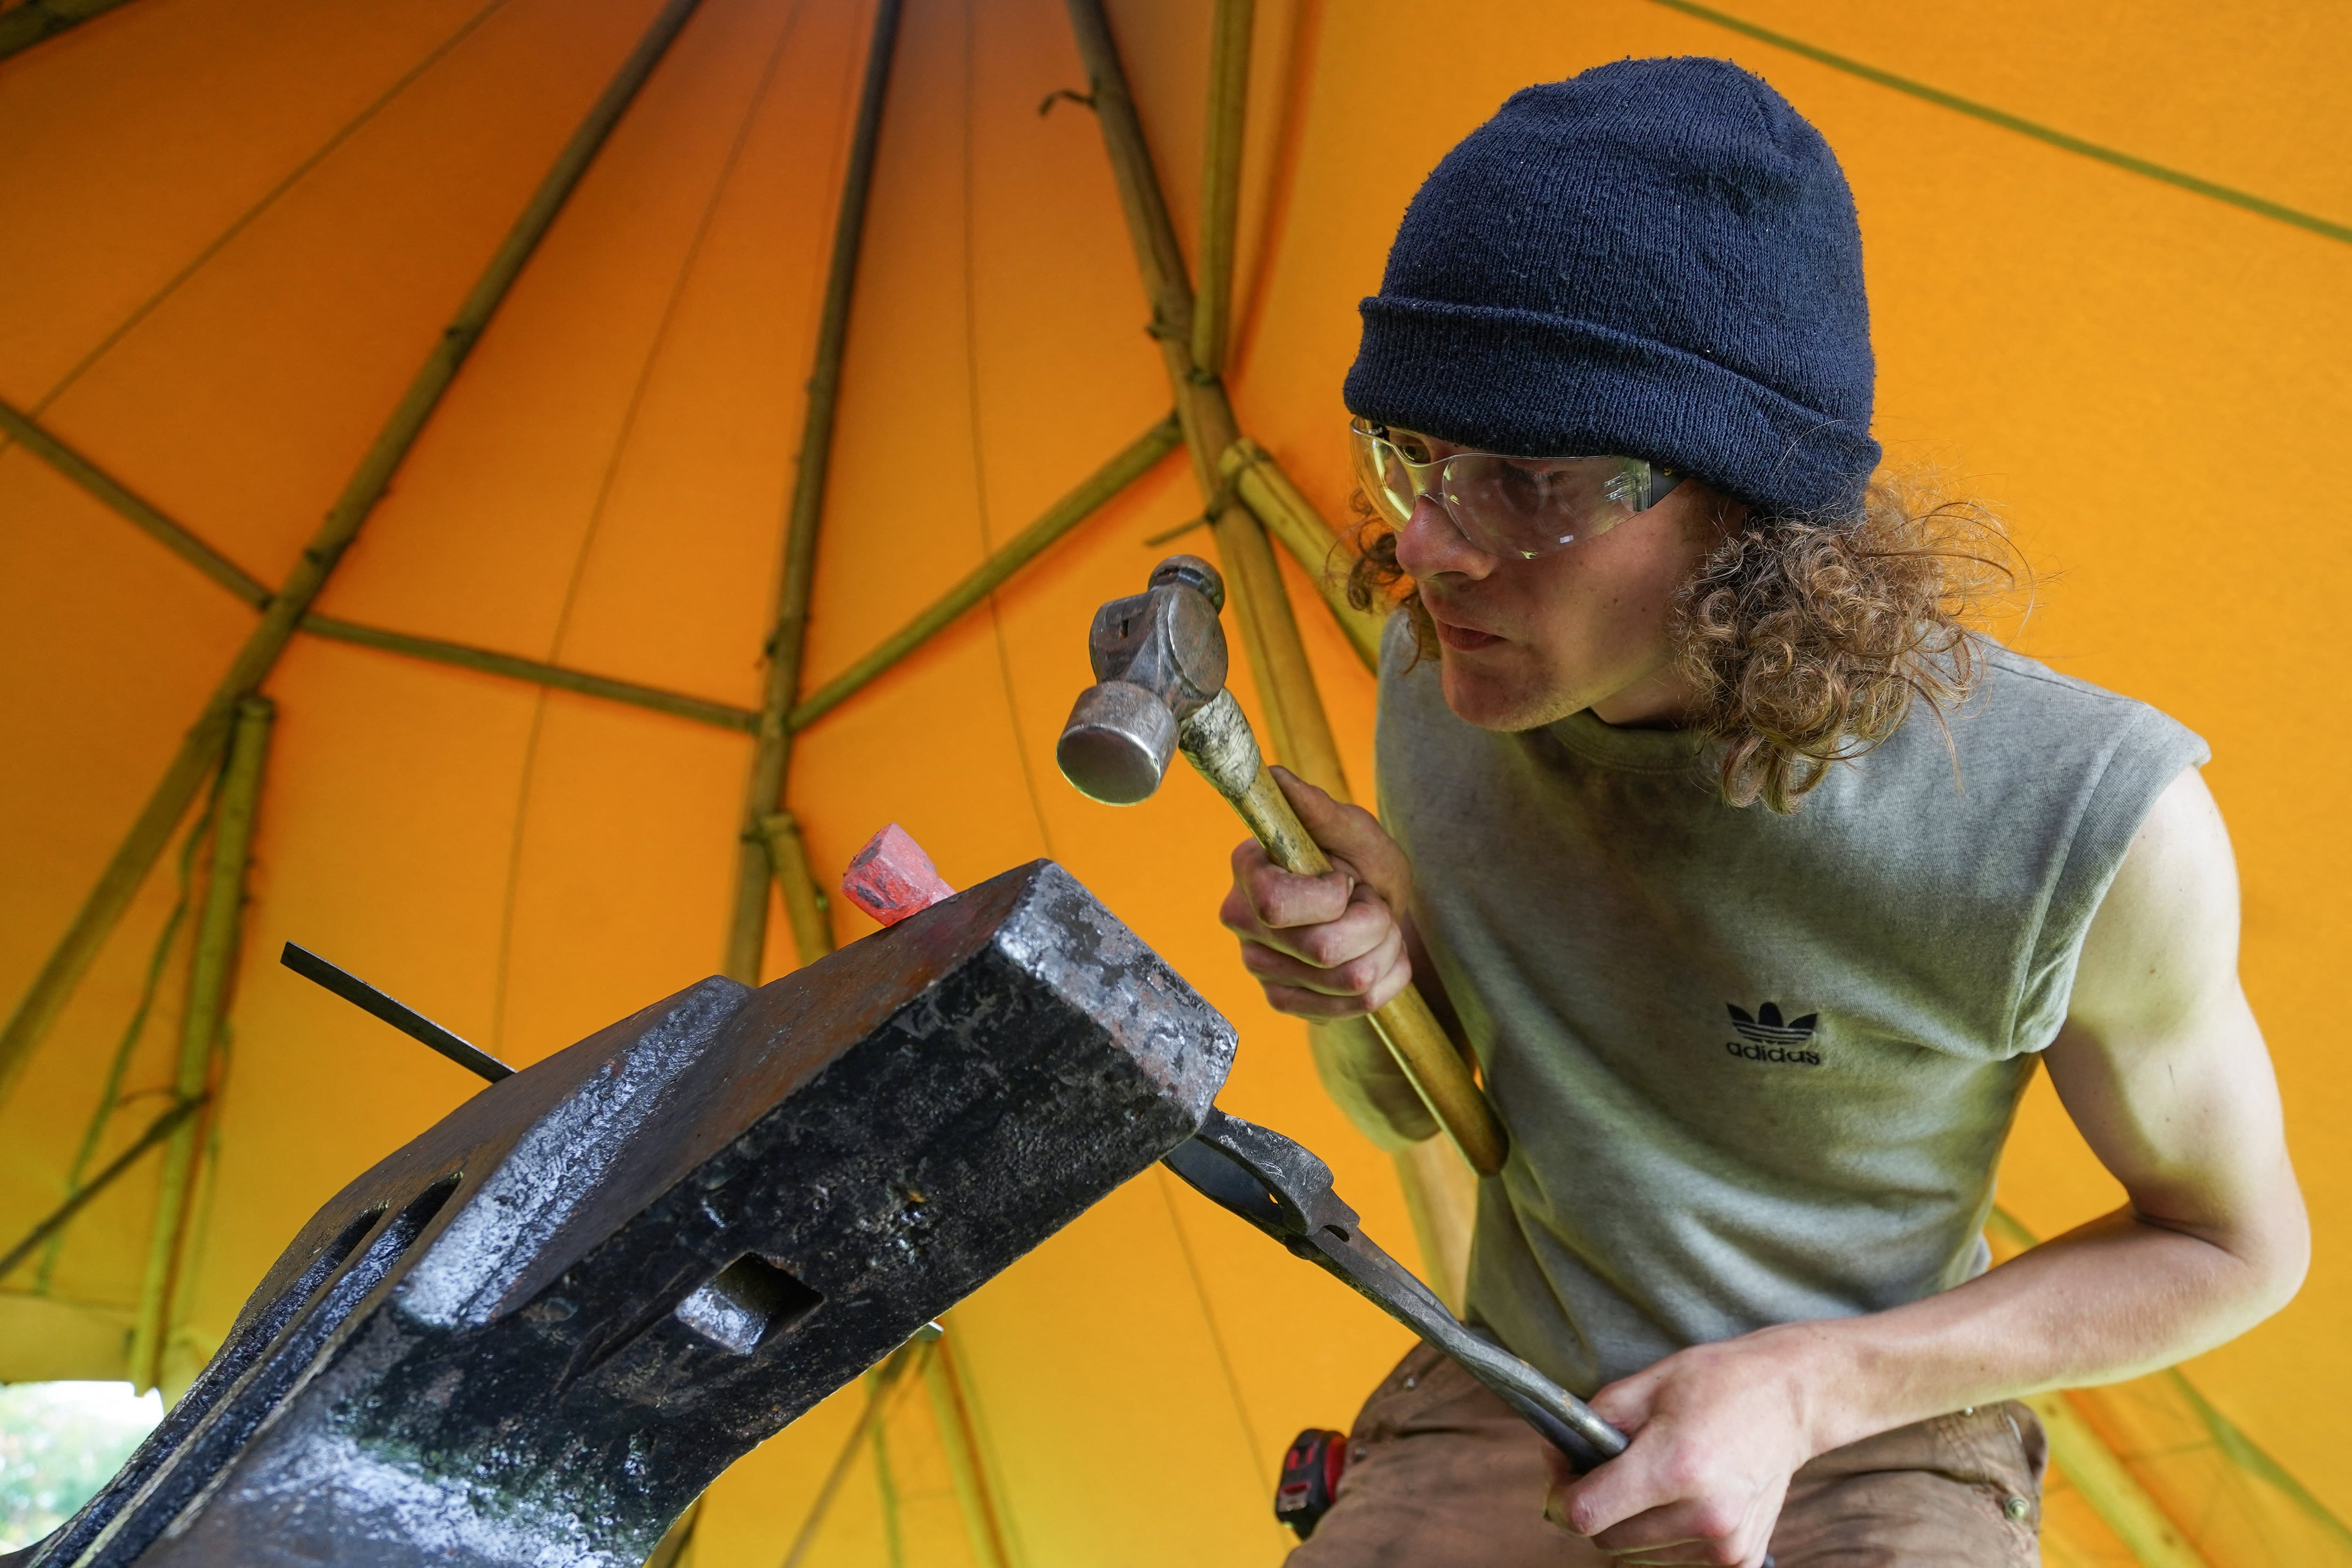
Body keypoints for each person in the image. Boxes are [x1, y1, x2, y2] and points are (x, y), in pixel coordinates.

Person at [1220, 57, 2307, 1567]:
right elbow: (1412, 1112)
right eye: (1413, 455)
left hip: (1885, 1427)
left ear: (1746, 506)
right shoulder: (1449, 675)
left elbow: (2237, 1247)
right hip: (1506, 1392)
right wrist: (1368, 989)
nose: (1428, 545)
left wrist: (1812, 1386)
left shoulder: (2085, 820)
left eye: (1526, 478)